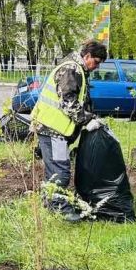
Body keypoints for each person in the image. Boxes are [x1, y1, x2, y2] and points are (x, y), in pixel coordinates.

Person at [29, 40, 109, 220]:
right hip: (52, 129)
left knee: (55, 169)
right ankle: (60, 210)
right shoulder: (71, 69)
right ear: (86, 56)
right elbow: (68, 101)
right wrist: (86, 120)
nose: (96, 67)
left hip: (54, 129)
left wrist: (92, 117)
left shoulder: (76, 69)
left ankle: (49, 203)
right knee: (60, 171)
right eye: (95, 62)